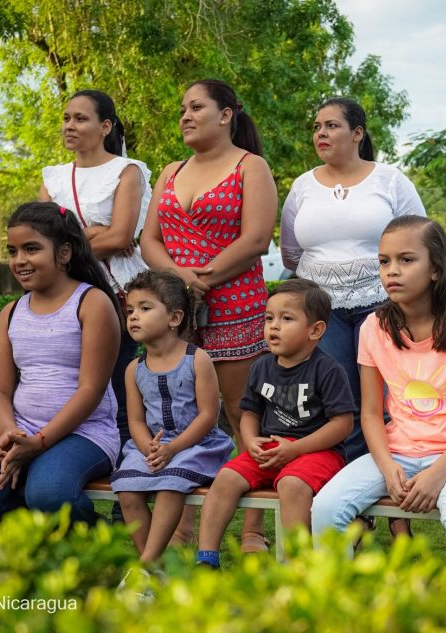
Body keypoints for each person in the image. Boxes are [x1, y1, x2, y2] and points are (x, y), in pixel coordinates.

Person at [311, 216, 446, 575]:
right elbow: (369, 413)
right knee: (327, 507)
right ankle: (334, 607)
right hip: (397, 452)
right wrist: (387, 466)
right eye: (384, 261)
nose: (392, 271)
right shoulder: (374, 328)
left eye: (406, 260)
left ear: (436, 269)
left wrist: (439, 473)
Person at [140, 79, 278, 551]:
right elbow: (148, 240)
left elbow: (257, 238)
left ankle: (255, 527)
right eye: (182, 108)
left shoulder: (250, 166)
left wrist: (204, 280)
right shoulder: (170, 171)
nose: (185, 115)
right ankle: (179, 525)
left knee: (245, 416)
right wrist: (181, 279)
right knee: (178, 417)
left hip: (236, 307)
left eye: (196, 106)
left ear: (225, 115)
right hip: (176, 316)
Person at [0, 202, 121, 525]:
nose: (19, 261)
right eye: (13, 251)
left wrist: (39, 442)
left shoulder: (91, 303)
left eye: (31, 249)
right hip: (20, 429)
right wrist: (8, 433)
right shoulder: (11, 312)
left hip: (84, 432)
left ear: (64, 253)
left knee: (47, 493)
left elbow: (91, 390)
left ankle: (98, 536)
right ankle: (42, 538)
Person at [280, 97, 426, 465]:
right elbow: (290, 253)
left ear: (357, 133)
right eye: (316, 127)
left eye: (331, 125)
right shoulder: (302, 187)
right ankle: (346, 496)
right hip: (321, 311)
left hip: (383, 304)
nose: (321, 133)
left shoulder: (390, 180)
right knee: (336, 400)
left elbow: (421, 241)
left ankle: (392, 488)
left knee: (385, 399)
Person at [196, 279, 354, 568]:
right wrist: (251, 439)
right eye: (269, 318)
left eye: (286, 318)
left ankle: (297, 564)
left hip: (317, 452)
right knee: (226, 478)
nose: (274, 326)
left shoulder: (328, 370)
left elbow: (342, 424)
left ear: (315, 330)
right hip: (270, 450)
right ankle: (207, 557)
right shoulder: (262, 366)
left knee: (292, 485)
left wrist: (297, 449)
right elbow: (250, 413)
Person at [40, 90, 152, 456]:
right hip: (61, 297)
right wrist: (94, 234)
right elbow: (38, 239)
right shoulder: (54, 177)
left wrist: (66, 243)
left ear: (105, 126)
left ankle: (128, 492)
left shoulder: (127, 170)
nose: (69, 125)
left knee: (122, 393)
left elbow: (122, 235)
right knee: (69, 387)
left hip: (117, 293)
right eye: (66, 118)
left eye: (80, 118)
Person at [111, 270, 234, 563]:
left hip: (196, 446)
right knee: (126, 490)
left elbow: (207, 416)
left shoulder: (196, 359)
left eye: (145, 308)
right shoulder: (134, 369)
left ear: (174, 319)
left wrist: (172, 449)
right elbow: (137, 420)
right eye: (130, 310)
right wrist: (148, 447)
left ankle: (145, 567)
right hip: (152, 447)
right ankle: (156, 567)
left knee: (170, 484)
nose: (134, 317)